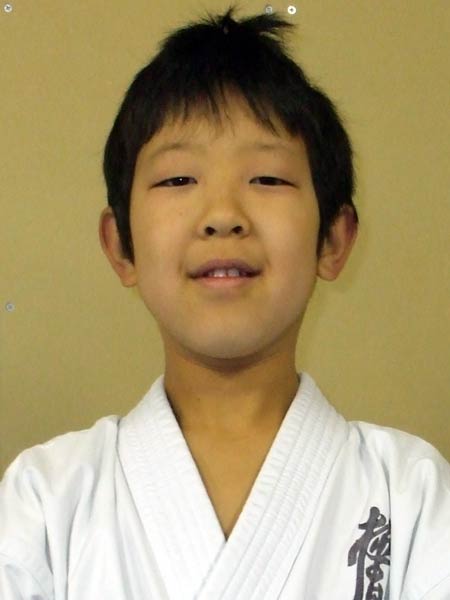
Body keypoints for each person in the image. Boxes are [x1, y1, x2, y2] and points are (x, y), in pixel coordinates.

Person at [1, 5, 449, 599]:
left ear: (333, 240)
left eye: (267, 179)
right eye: (177, 180)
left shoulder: (413, 496)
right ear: (122, 245)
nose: (222, 215)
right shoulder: (45, 501)